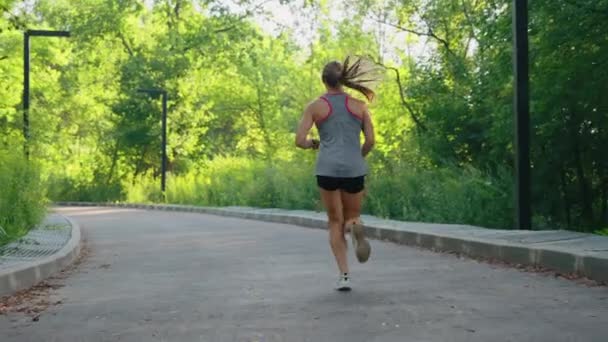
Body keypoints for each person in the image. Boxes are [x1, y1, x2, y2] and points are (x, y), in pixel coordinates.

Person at [295, 56, 382, 291]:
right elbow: (371, 141)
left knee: (334, 221)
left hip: (327, 169)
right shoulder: (359, 106)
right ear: (343, 80)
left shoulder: (315, 106)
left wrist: (315, 144)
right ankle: (355, 225)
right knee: (351, 216)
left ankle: (344, 275)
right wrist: (358, 156)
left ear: (324, 81)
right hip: (354, 169)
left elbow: (299, 141)